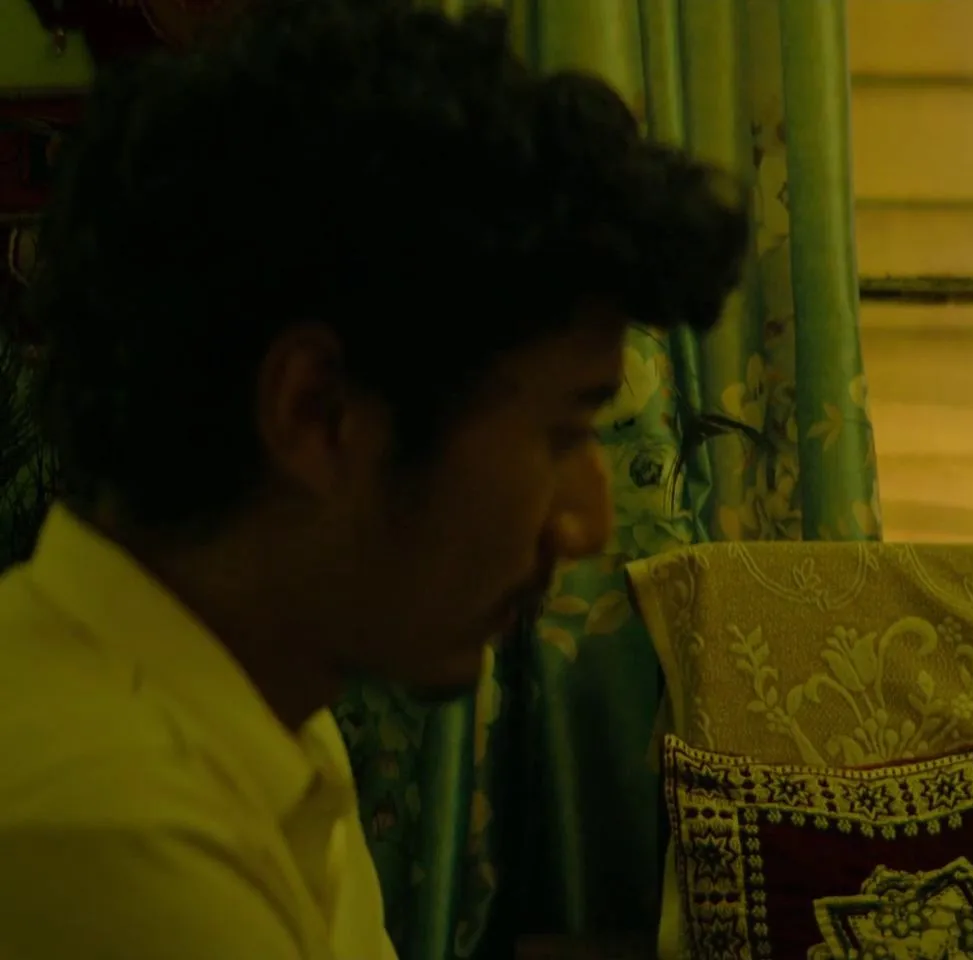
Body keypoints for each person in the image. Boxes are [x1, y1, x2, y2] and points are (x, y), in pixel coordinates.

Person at [0, 1, 746, 957]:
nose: (589, 521)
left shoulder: (265, 714)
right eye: (561, 433)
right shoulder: (107, 837)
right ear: (316, 412)